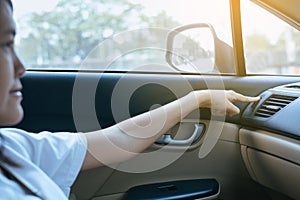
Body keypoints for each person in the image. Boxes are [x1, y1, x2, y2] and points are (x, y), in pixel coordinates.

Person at [0, 0, 260, 199]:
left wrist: (198, 98)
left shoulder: (13, 148)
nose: (21, 66)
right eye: (5, 45)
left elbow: (117, 139)